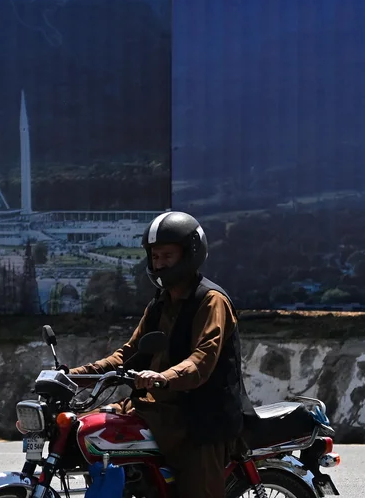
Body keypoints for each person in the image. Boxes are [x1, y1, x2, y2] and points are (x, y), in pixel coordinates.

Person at [67, 210, 257, 498]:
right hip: (158, 410)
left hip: (199, 420)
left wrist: (163, 377)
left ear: (190, 254)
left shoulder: (210, 301)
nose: (159, 264)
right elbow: (129, 354)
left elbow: (201, 359)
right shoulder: (160, 304)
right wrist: (73, 376)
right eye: (155, 256)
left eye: (167, 256)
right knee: (83, 429)